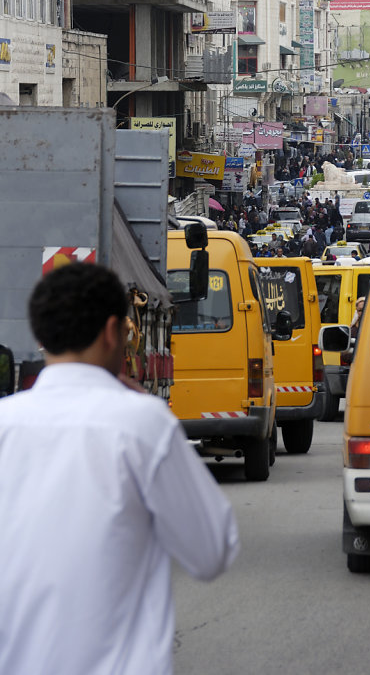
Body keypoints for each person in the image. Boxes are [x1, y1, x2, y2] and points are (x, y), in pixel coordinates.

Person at [0, 262, 239, 675]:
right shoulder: (142, 424)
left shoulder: (5, 423)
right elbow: (212, 552)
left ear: (40, 336)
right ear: (114, 332)